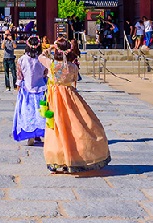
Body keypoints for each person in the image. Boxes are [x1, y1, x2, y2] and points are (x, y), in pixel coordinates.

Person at [39, 38, 110, 173]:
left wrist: (49, 50)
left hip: (55, 97)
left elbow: (40, 57)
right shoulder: (73, 67)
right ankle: (77, 156)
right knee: (77, 124)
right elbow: (74, 79)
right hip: (70, 95)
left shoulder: (51, 64)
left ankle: (59, 158)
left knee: (58, 126)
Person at [13, 36, 48, 146]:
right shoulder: (42, 59)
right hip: (41, 89)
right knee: (40, 112)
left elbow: (19, 75)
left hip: (27, 89)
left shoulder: (22, 59)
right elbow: (45, 73)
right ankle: (40, 133)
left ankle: (31, 135)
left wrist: (18, 86)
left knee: (28, 113)